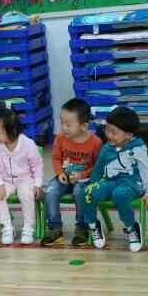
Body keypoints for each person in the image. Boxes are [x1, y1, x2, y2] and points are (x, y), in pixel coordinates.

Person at [83, 106, 148, 253]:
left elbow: (146, 170)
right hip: (110, 181)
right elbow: (98, 168)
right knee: (88, 192)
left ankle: (131, 227)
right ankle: (93, 225)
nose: (108, 135)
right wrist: (93, 185)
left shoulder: (137, 147)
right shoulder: (107, 148)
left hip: (131, 183)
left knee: (119, 194)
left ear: (128, 135)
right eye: (107, 129)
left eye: (114, 132)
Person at [41, 98, 102, 247]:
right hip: (64, 178)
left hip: (85, 180)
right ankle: (55, 228)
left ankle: (82, 227)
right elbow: (56, 158)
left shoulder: (95, 142)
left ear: (83, 126)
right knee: (50, 192)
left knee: (80, 192)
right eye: (62, 122)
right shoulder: (60, 138)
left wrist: (82, 175)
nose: (64, 128)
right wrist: (60, 173)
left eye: (68, 124)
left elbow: (98, 167)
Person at [0, 106, 44, 245]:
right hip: (5, 180)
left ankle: (28, 227)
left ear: (12, 131)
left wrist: (37, 184)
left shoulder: (28, 144)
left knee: (26, 194)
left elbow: (37, 165)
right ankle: (7, 227)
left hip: (25, 179)